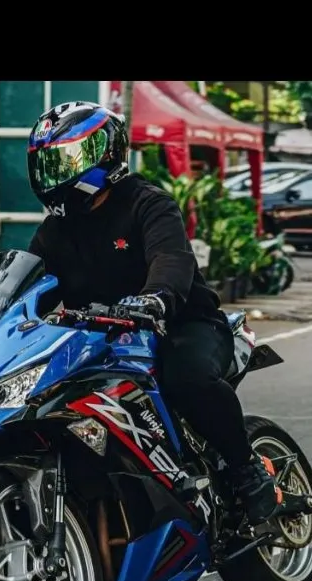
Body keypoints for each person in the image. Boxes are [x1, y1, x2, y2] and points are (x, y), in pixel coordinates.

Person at [26, 100, 280, 524]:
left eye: (64, 160)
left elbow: (171, 260)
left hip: (181, 324)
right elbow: (30, 281)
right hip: (103, 337)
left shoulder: (147, 203)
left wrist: (156, 298)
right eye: (46, 165)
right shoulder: (54, 231)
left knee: (188, 378)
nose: (54, 175)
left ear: (104, 154)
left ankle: (246, 470)